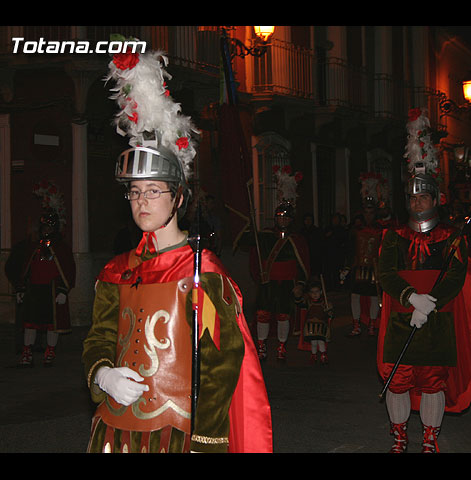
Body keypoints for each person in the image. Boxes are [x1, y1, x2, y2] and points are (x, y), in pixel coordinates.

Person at [81, 49, 272, 453]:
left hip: (177, 434)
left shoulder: (201, 271)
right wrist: (102, 376)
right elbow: (99, 338)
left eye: (153, 191)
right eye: (135, 192)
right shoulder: (117, 270)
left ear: (179, 198)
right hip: (116, 429)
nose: (141, 201)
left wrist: (206, 442)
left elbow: (219, 367)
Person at [376, 108, 471, 453]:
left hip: (437, 318)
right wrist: (411, 298)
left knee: (433, 381)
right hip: (401, 317)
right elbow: (385, 272)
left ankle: (430, 438)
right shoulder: (393, 235)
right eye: (413, 196)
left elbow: (455, 275)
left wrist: (430, 303)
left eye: (423, 196)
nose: (417, 201)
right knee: (398, 380)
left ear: (435, 199)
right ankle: (400, 435)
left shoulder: (452, 237)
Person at [5, 181, 75, 368]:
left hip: (52, 291)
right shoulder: (33, 246)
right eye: (44, 228)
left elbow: (68, 269)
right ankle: (27, 352)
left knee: (52, 325)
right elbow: (24, 269)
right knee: (30, 324)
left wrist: (63, 290)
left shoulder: (62, 248)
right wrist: (20, 289)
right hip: (34, 291)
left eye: (50, 228)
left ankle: (49, 352)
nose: (46, 231)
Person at [245, 165, 310, 361]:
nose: (281, 220)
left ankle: (281, 346)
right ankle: (262, 346)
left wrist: (300, 285)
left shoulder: (297, 239)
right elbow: (255, 257)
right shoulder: (265, 236)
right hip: (268, 283)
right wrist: (259, 276)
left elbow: (303, 264)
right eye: (279, 217)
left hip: (287, 285)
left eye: (285, 217)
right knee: (263, 314)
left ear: (290, 220)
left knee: (283, 315)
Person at [342, 173, 385, 336]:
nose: (368, 214)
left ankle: (372, 324)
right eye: (366, 211)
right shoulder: (356, 229)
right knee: (355, 295)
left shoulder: (381, 229)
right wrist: (347, 265)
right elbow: (349, 248)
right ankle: (356, 324)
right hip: (358, 265)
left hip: (373, 267)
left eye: (371, 211)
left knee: (374, 296)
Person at [295, 277, 333, 364]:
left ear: (321, 292)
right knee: (313, 342)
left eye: (316, 292)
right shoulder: (308, 302)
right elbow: (299, 304)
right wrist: (297, 296)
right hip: (311, 327)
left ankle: (323, 355)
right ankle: (314, 355)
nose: (314, 294)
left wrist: (329, 311)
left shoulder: (325, 303)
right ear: (309, 293)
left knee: (321, 341)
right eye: (312, 292)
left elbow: (329, 315)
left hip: (321, 326)